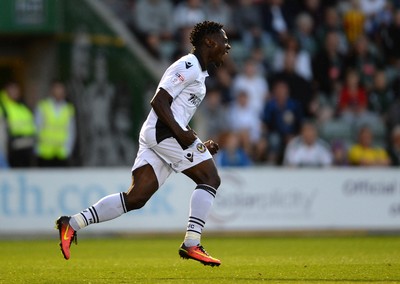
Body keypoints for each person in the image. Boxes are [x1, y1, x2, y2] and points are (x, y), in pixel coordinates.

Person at [56, 21, 231, 267]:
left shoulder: (198, 73)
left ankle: (72, 224)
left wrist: (196, 142)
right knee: (210, 178)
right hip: (164, 134)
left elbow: (176, 112)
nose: (228, 45)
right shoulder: (188, 66)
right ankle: (192, 243)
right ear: (209, 42)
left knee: (136, 197)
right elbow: (159, 102)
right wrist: (183, 136)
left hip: (160, 134)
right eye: (224, 40)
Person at [34, 80, 76, 167]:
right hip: (45, 152)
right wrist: (37, 148)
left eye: (61, 90)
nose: (59, 92)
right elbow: (36, 127)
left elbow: (71, 130)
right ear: (51, 91)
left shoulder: (68, 108)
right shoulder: (43, 106)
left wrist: (68, 149)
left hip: (61, 152)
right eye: (56, 89)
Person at [0, 81, 35, 167]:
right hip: (11, 149)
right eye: (12, 89)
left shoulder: (23, 106)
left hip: (27, 147)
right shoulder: (3, 107)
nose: (15, 92)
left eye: (16, 90)